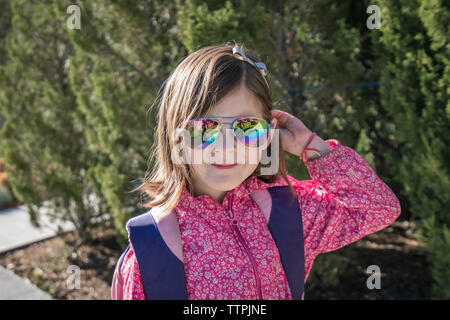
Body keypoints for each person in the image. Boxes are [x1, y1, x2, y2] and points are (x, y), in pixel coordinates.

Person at [111, 42, 401, 300]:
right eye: (203, 129)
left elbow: (377, 207)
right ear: (175, 138)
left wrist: (311, 147)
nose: (225, 147)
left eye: (247, 128)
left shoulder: (289, 211)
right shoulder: (153, 247)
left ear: (268, 134)